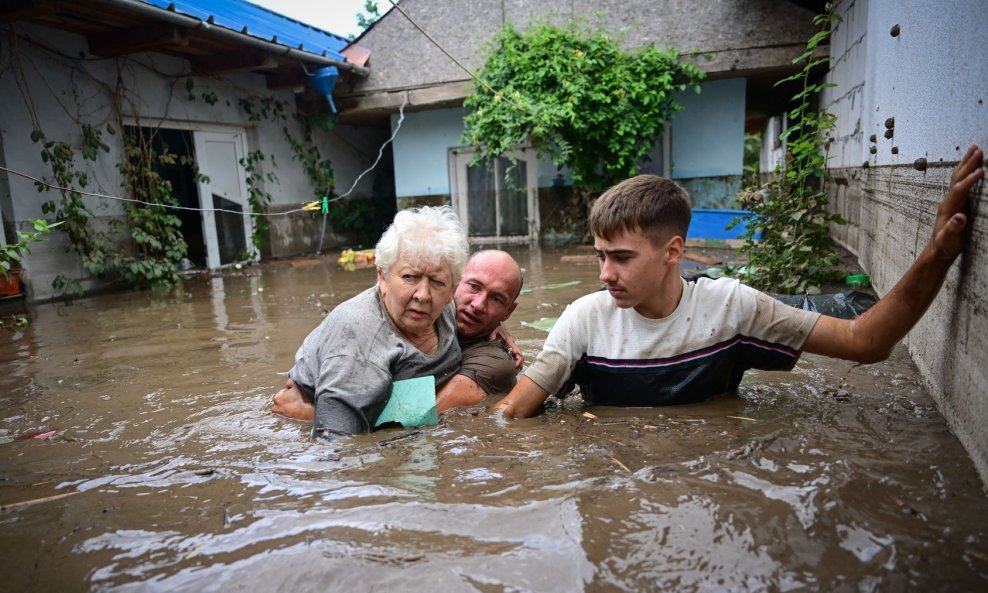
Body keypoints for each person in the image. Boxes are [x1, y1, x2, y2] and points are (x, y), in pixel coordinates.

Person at [494, 145, 985, 418]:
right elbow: (511, 415)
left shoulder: (733, 308)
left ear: (674, 252)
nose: (605, 275)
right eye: (600, 257)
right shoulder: (584, 319)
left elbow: (867, 341)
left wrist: (938, 252)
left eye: (621, 258)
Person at [274, 205, 468, 439]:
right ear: (382, 277)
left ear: (451, 290)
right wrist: (311, 416)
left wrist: (498, 328)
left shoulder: (448, 306)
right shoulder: (360, 340)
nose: (423, 295)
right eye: (409, 277)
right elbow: (336, 445)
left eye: (436, 282)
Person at [272, 248, 524, 424]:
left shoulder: (497, 363)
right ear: (453, 283)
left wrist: (312, 414)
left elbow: (423, 412)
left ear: (508, 311)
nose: (479, 304)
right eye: (474, 287)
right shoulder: (427, 304)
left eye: (496, 299)